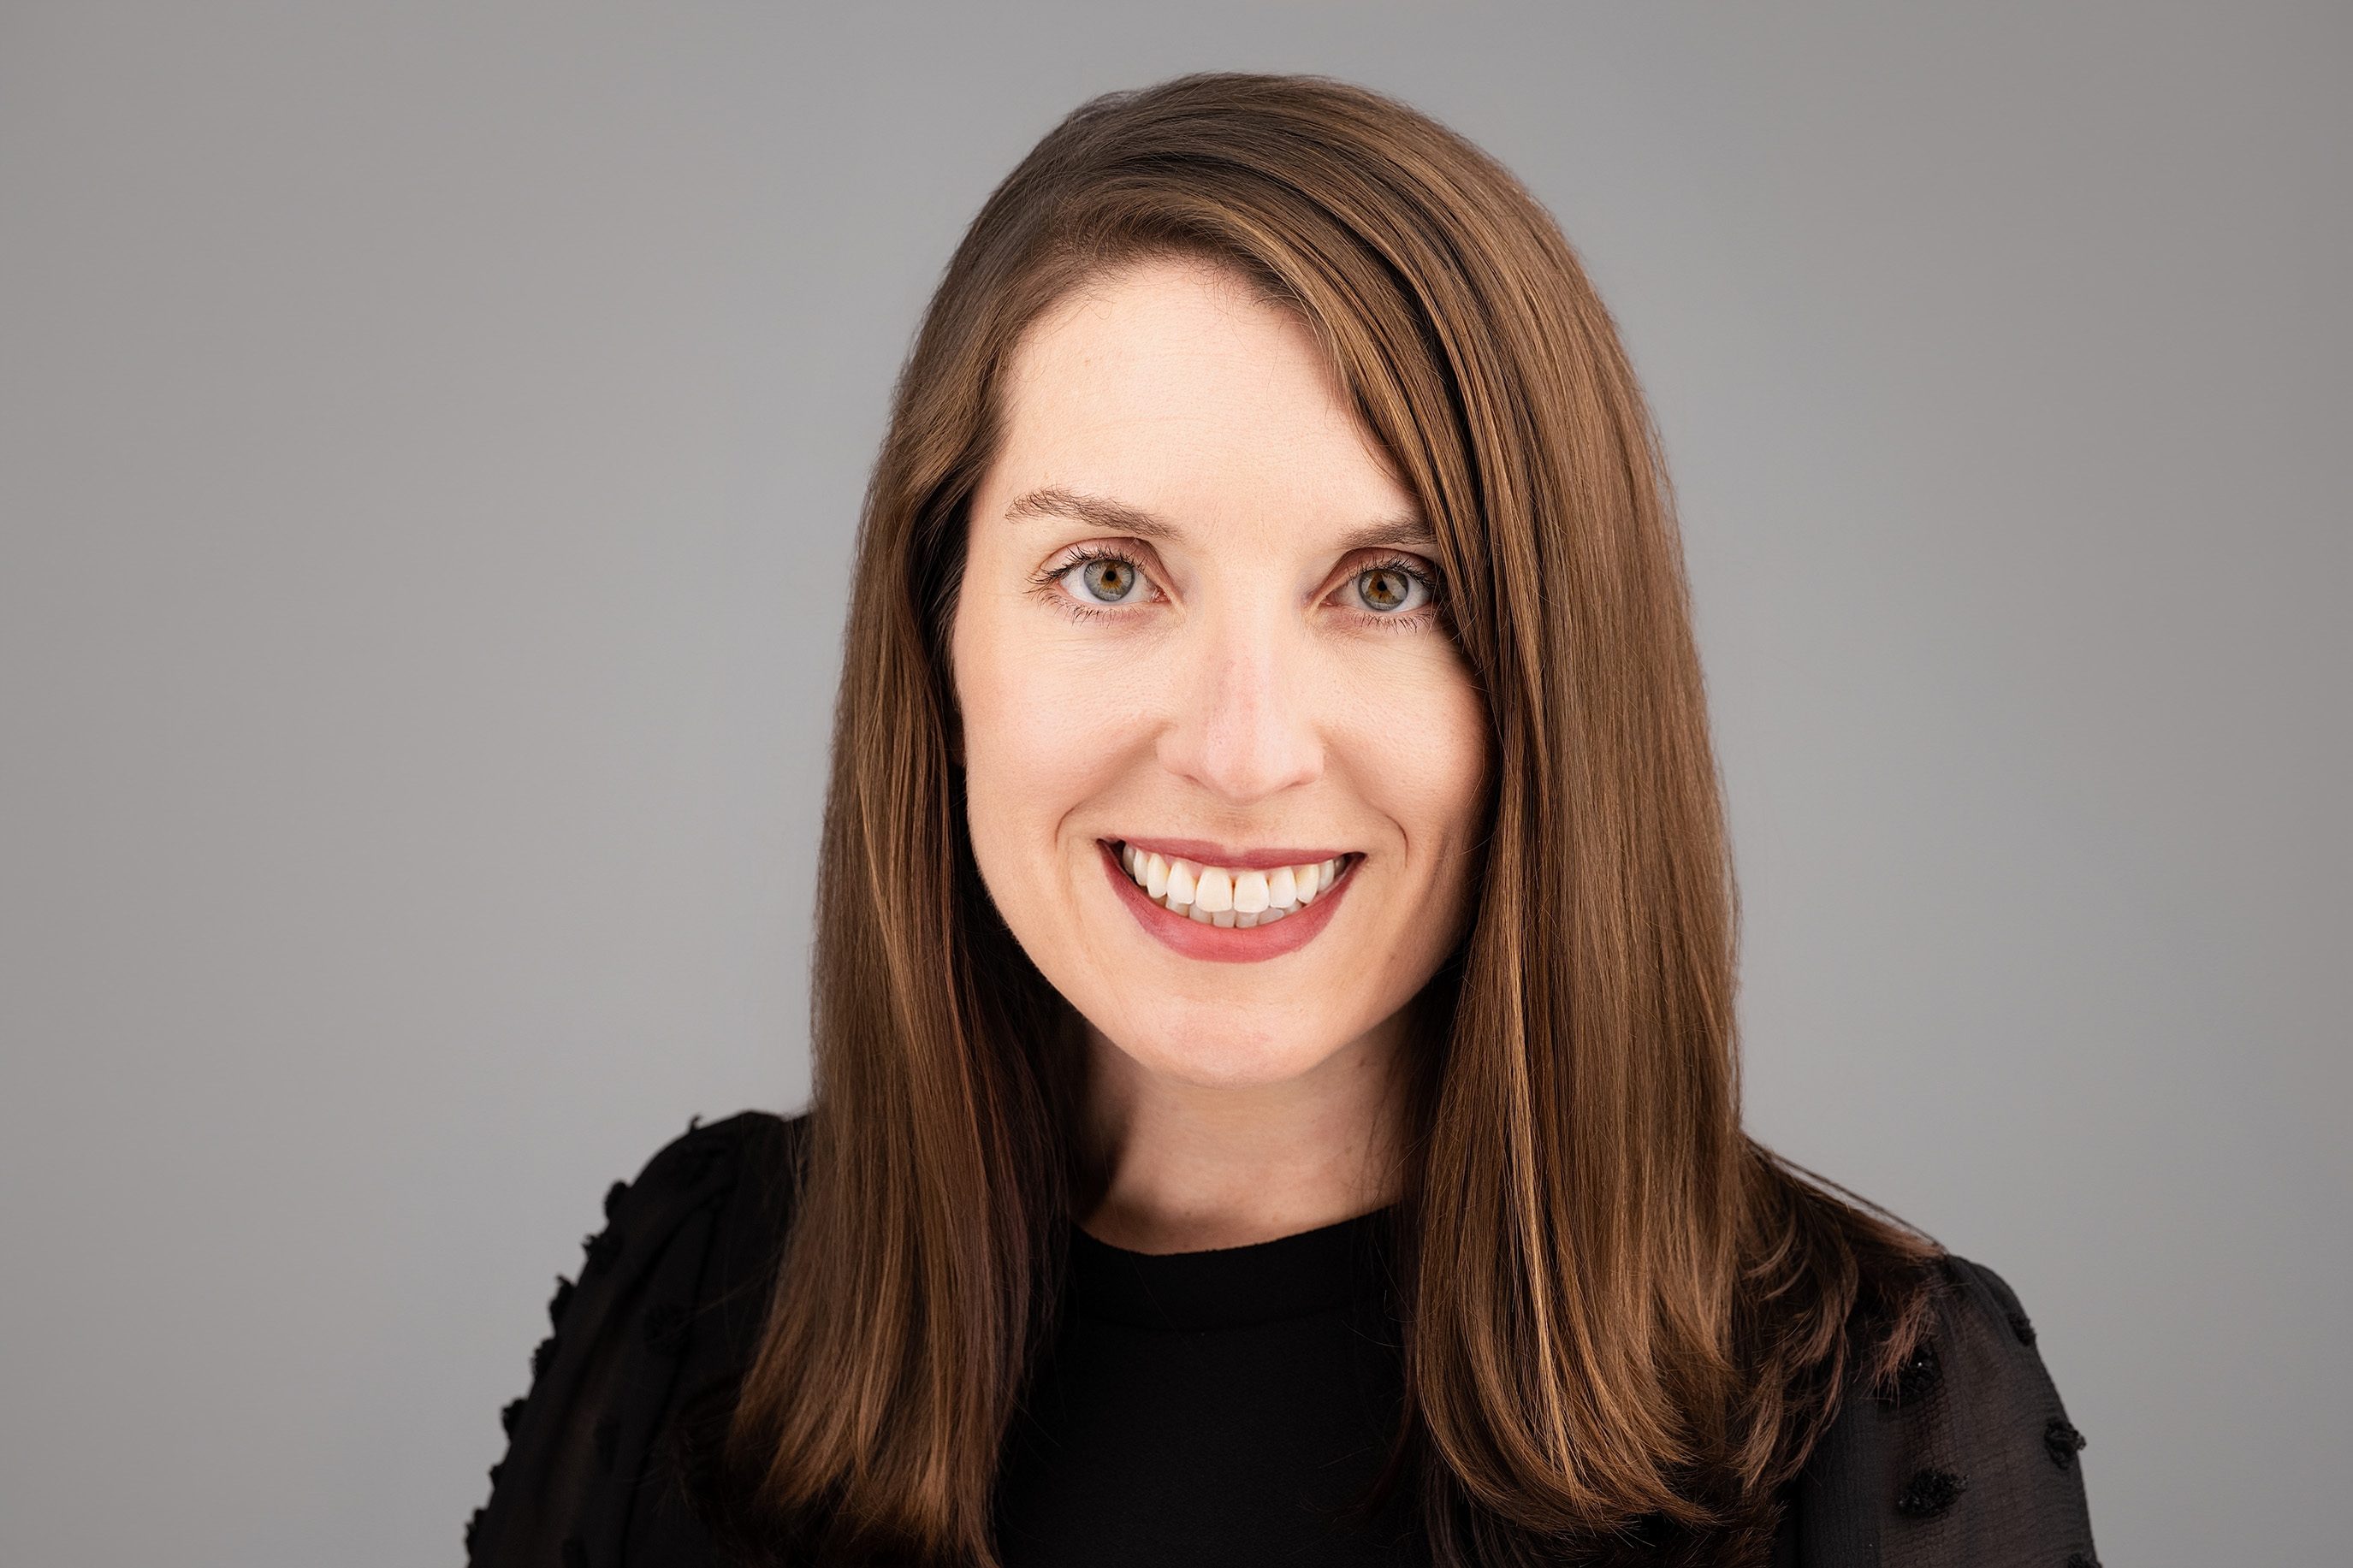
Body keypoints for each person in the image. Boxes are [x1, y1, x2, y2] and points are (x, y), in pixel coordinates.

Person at [468, 74, 2098, 1568]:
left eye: (1389, 587)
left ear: (1552, 680)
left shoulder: (1867, 1410)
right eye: (1107, 574)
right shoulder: (697, 1297)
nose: (1240, 753)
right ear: (936, 630)